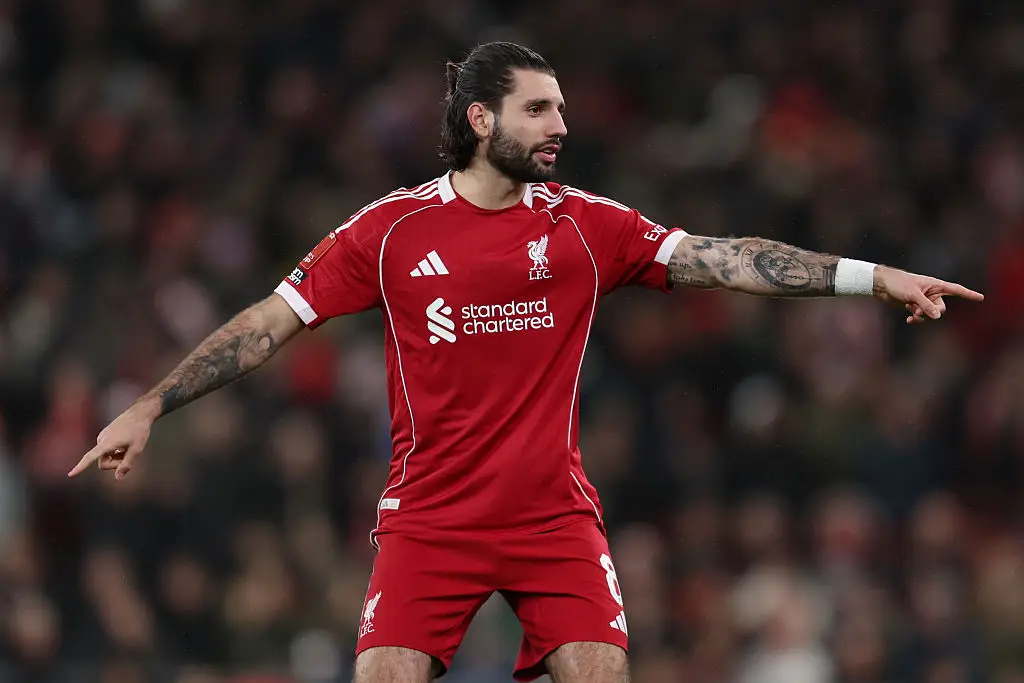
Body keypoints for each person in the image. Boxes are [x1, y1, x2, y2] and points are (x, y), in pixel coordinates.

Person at [69, 42, 984, 683]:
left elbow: (726, 256)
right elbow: (269, 322)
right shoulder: (389, 232)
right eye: (539, 108)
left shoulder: (585, 226)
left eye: (562, 108)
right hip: (429, 517)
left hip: (553, 515)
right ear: (480, 117)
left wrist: (874, 278)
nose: (560, 125)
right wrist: (152, 404)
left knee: (604, 670)